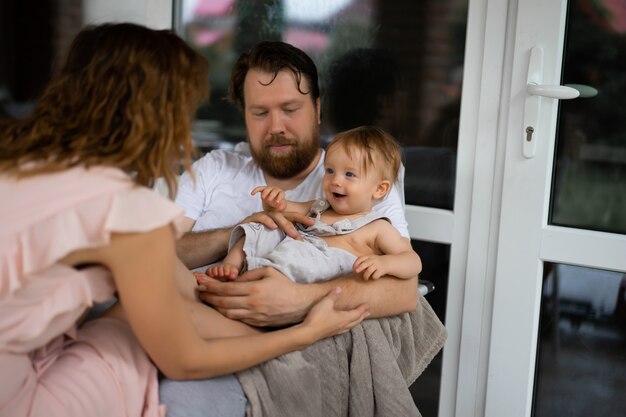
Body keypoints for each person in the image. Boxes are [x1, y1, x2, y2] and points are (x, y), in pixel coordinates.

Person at [0, 23, 371, 417]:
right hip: (19, 398)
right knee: (128, 338)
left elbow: (176, 280)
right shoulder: (120, 207)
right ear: (152, 114)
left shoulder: (22, 167)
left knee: (126, 315)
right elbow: (184, 360)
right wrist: (305, 334)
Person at [168, 40, 421, 417]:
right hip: (186, 319)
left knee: (176, 398)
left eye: (290, 109)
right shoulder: (214, 169)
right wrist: (237, 231)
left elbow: (404, 292)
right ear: (244, 115)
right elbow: (154, 252)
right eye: (259, 113)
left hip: (268, 351)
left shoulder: (357, 179)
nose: (276, 127)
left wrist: (298, 302)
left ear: (317, 109)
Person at [206, 126, 422, 283]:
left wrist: (385, 265)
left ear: (380, 189)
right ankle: (231, 265)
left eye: (349, 174)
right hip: (286, 255)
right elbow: (281, 211)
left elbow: (412, 261)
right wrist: (273, 202)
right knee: (263, 226)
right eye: (330, 171)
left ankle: (257, 280)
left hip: (311, 273)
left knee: (301, 258)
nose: (335, 180)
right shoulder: (319, 206)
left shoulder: (378, 228)